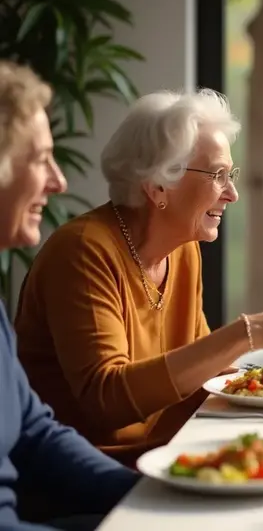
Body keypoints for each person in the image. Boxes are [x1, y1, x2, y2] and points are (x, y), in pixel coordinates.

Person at [15, 88, 263, 467]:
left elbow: (202, 372)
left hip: (172, 453)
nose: (232, 193)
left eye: (229, 175)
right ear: (158, 188)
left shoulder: (182, 249)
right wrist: (248, 332)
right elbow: (107, 401)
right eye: (217, 175)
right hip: (94, 474)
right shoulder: (84, 251)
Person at [0, 61, 140, 531]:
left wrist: (156, 497)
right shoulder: (84, 250)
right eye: (40, 159)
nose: (59, 182)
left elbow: (35, 433)